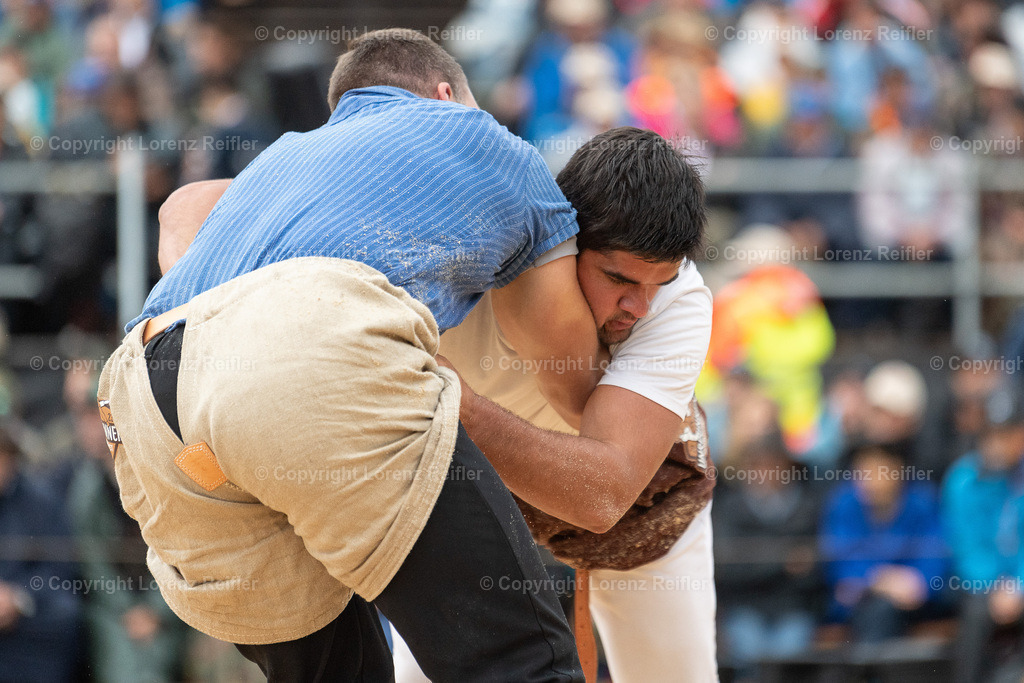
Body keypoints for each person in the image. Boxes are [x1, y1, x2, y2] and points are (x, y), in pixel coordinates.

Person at [101, 29, 599, 682]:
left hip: (143, 400)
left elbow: (181, 207)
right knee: (524, 660)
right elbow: (568, 359)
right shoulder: (483, 139)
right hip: (298, 352)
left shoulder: (285, 159)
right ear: (446, 95)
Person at [394, 127, 715, 682]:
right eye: (617, 277)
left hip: (647, 511)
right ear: (564, 242)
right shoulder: (469, 250)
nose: (637, 307)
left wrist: (461, 406)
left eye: (656, 283)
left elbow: (602, 495)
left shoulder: (681, 304)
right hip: (482, 492)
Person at [819, 444, 948, 644]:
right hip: (860, 601)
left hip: (916, 600)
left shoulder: (922, 501)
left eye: (877, 470)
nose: (869, 479)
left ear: (897, 470)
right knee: (878, 611)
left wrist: (917, 581)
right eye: (862, 471)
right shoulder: (843, 503)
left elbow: (935, 552)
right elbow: (839, 561)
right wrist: (878, 579)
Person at [943, 384, 1024, 683]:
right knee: (975, 614)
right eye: (992, 434)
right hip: (979, 587)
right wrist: (994, 586)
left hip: (1018, 583)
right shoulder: (962, 480)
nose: (999, 443)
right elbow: (965, 547)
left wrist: (1019, 584)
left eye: (1008, 433)